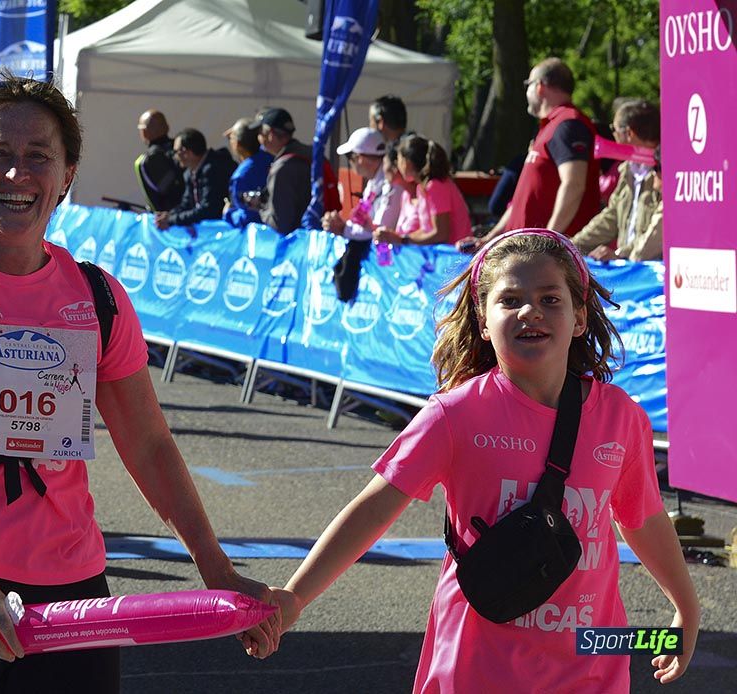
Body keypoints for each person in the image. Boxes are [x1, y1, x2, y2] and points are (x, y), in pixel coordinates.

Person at [0, 73, 279, 693]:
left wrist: (216, 566)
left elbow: (150, 446)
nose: (16, 174)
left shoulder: (98, 297)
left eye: (38, 157)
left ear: (68, 172)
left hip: (70, 596)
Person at [271, 229, 699, 692]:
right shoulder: (454, 416)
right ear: (482, 318)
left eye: (550, 299)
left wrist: (685, 609)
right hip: (478, 668)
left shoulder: (621, 417)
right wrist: (294, 597)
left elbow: (643, 517)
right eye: (510, 299)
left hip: (590, 666)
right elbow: (373, 510)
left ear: (579, 317)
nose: (530, 311)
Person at [458, 58, 600, 251]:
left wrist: (550, 240)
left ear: (540, 87)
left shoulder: (568, 124)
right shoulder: (551, 127)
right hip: (530, 252)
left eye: (528, 85)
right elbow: (521, 200)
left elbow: (573, 184)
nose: (526, 92)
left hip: (548, 257)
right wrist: (491, 238)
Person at [572, 100, 663, 261]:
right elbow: (611, 216)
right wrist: (572, 246)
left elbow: (657, 233)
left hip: (651, 274)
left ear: (629, 133)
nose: (613, 135)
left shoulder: (662, 173)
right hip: (629, 268)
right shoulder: (628, 169)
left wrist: (620, 254)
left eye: (614, 129)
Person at [322, 127, 401, 301]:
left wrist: (343, 229)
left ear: (361, 157)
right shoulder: (374, 182)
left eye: (350, 158)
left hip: (390, 267)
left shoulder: (391, 183)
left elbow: (380, 229)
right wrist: (341, 226)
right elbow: (363, 223)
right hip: (382, 263)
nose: (350, 162)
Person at [374, 134, 470, 246]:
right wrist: (398, 237)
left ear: (406, 163)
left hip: (456, 257)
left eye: (398, 160)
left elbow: (441, 234)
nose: (397, 165)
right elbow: (426, 231)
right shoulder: (421, 188)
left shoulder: (436, 186)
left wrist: (402, 240)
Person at [154, 128, 235, 230]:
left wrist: (172, 220)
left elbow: (208, 210)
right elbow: (186, 204)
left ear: (186, 152)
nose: (175, 157)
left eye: (176, 152)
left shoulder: (213, 170)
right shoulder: (190, 173)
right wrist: (169, 215)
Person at [251, 107, 311, 235]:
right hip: (318, 239)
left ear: (271, 135)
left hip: (297, 247)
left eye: (260, 133)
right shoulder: (310, 154)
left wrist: (260, 208)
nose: (259, 138)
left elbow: (279, 225)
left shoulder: (282, 168)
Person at [221, 117, 273, 228]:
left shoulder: (242, 176)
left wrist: (228, 214)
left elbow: (247, 216)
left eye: (232, 138)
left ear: (237, 144)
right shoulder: (272, 159)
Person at [134, 109, 184, 212]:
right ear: (167, 127)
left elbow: (158, 203)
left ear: (144, 132)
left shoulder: (145, 161)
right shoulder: (185, 149)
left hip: (169, 222)